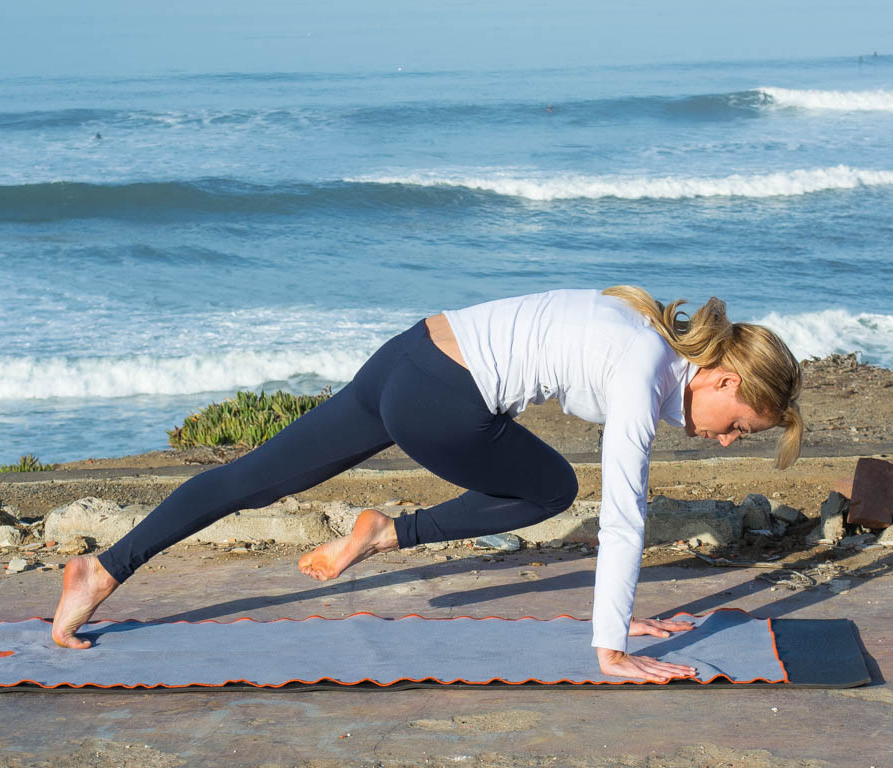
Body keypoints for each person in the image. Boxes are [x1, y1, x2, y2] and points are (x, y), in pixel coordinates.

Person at [51, 286, 803, 682]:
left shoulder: (640, 333)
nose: (729, 438)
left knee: (254, 479)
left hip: (404, 360)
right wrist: (611, 643)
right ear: (723, 376)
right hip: (440, 396)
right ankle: (389, 532)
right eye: (740, 421)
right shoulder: (643, 372)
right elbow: (626, 514)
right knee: (552, 489)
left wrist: (626, 612)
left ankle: (104, 567)